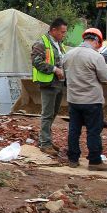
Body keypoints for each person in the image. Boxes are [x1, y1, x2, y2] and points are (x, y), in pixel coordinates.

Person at [63, 28, 107, 171]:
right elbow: (106, 78)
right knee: (93, 131)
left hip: (73, 100)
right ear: (97, 41)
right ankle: (95, 161)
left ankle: (73, 159)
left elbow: (65, 77)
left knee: (74, 130)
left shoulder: (68, 54)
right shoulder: (96, 56)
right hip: (92, 100)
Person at [31, 18, 68, 155]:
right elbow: (36, 62)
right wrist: (54, 69)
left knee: (53, 113)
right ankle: (45, 144)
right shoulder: (41, 43)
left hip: (59, 83)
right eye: (62, 32)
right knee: (47, 114)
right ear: (53, 30)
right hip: (48, 83)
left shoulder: (59, 44)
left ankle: (45, 139)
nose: (63, 35)